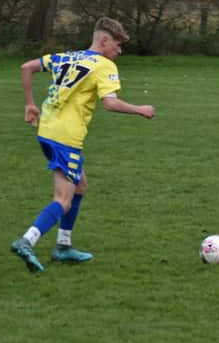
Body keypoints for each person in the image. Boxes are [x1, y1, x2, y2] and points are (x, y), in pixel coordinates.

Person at [10, 16, 156, 273]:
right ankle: (27, 241)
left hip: (47, 131)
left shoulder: (66, 56)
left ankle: (63, 247)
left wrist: (30, 104)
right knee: (63, 199)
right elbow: (110, 103)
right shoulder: (104, 65)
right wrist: (140, 109)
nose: (119, 51)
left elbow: (26, 67)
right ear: (104, 41)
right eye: (118, 45)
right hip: (66, 138)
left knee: (80, 186)